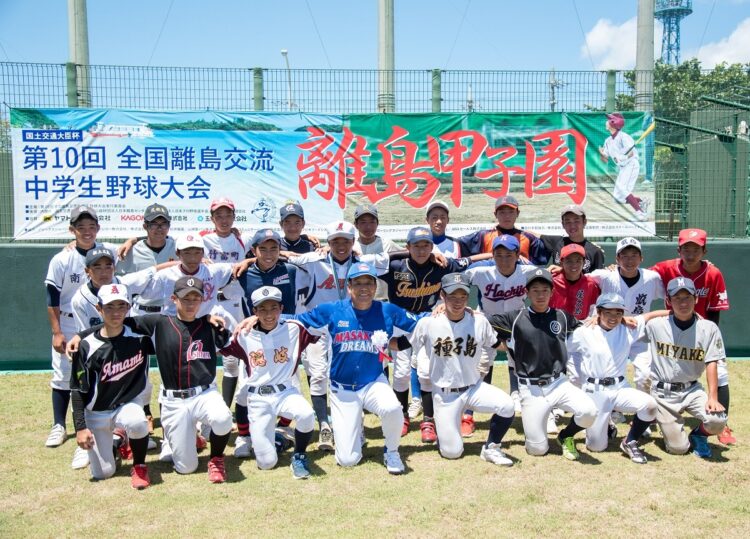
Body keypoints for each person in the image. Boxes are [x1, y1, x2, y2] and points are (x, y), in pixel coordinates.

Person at [268, 262, 419, 474]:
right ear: (349, 287)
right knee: (348, 460)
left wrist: (444, 310)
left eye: (368, 282)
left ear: (375, 287)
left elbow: (420, 322)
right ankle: (354, 431)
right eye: (358, 283)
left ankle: (391, 451)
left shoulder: (387, 310)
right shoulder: (332, 310)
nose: (364, 288)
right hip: (342, 389)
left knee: (393, 408)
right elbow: (297, 320)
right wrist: (259, 317)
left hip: (373, 381)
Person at [281, 221, 398, 451]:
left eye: (346, 240)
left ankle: (358, 426)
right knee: (317, 374)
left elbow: (396, 257)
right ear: (328, 243)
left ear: (353, 242)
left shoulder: (363, 262)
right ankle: (325, 424)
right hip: (321, 326)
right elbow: (282, 257)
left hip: (354, 327)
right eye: (335, 241)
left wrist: (433, 251)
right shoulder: (314, 261)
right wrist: (248, 259)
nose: (341, 246)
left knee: (355, 376)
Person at [379, 226, 489, 442]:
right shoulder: (395, 265)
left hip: (429, 321)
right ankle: (402, 417)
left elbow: (471, 260)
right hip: (401, 321)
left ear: (432, 246)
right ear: (408, 247)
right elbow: (365, 261)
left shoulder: (442, 265)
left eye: (426, 245)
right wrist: (403, 252)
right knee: (401, 373)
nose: (422, 250)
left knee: (426, 372)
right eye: (416, 246)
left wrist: (497, 254)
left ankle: (428, 421)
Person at [488, 268, 598, 460]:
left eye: (545, 290)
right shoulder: (514, 318)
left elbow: (585, 327)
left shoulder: (562, 317)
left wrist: (598, 318)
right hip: (531, 389)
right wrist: (499, 344)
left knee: (589, 411)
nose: (540, 295)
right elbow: (480, 323)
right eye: (535, 290)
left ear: (552, 292)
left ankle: (565, 436)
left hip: (559, 383)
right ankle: (541, 429)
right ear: (527, 293)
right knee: (537, 450)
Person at [411, 273, 516, 466]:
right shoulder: (428, 323)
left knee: (508, 405)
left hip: (473, 388)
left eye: (463, 297)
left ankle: (491, 447)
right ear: (442, 295)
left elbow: (496, 345)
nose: (458, 301)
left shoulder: (479, 321)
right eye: (452, 296)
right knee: (452, 452)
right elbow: (408, 345)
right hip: (445, 395)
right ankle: (445, 431)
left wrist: (518, 344)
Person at [44, 205, 118, 471]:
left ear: (98, 228)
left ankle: (111, 432)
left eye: (91, 227)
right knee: (66, 376)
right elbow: (51, 297)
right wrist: (57, 331)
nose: (87, 232)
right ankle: (60, 425)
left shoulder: (108, 252)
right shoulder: (61, 259)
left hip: (101, 320)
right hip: (68, 319)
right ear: (72, 230)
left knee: (100, 376)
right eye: (80, 227)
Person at [221, 286, 318, 479]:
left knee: (307, 414)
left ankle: (299, 455)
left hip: (285, 393)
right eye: (262, 309)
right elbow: (218, 346)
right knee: (266, 463)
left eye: (274, 307)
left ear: (281, 308)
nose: (268, 314)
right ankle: (280, 439)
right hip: (257, 399)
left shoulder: (295, 328)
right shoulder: (243, 335)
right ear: (254, 312)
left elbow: (322, 321)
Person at [232, 228, 313, 457]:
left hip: (285, 336)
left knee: (291, 386)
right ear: (254, 250)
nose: (269, 253)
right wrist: (247, 261)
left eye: (274, 248)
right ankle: (244, 436)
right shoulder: (243, 273)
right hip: (253, 339)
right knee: (244, 391)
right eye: (263, 249)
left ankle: (282, 429)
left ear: (281, 249)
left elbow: (314, 261)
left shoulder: (290, 269)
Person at [650, 228, 734, 445]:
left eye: (695, 248)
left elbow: (714, 310)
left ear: (704, 251)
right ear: (679, 249)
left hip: (701, 331)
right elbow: (639, 275)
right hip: (673, 328)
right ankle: (647, 417)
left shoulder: (713, 273)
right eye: (686, 248)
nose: (690, 253)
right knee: (648, 370)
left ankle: (723, 424)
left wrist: (707, 337)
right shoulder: (666, 268)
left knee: (720, 372)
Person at [69, 284, 153, 489]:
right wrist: (80, 428)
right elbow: (77, 390)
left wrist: (206, 319)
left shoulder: (140, 334)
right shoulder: (87, 346)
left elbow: (176, 319)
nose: (116, 312)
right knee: (103, 474)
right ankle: (117, 440)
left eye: (121, 306)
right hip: (96, 413)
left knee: (137, 421)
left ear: (128, 307)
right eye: (109, 307)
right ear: (99, 309)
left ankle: (140, 465)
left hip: (126, 404)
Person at [566, 293, 666, 464]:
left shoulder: (628, 328)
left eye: (618, 313)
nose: (613, 317)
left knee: (649, 406)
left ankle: (630, 441)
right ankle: (607, 425)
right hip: (594, 390)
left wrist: (682, 312)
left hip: (620, 387)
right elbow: (566, 347)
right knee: (596, 447)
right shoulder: (584, 331)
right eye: (608, 312)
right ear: (598, 312)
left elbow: (649, 316)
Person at [643, 277, 727, 458]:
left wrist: (713, 397)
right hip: (663, 394)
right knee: (678, 449)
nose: (683, 303)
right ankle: (669, 427)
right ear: (669, 301)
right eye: (677, 298)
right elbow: (632, 323)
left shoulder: (708, 328)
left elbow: (711, 362)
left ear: (696, 299)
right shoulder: (655, 325)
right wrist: (654, 314)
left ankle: (699, 434)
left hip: (692, 390)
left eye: (687, 297)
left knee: (718, 420)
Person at [464, 234, 533, 423]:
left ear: (518, 255)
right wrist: (457, 304)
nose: (504, 259)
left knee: (519, 361)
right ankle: (469, 413)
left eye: (509, 254)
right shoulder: (480, 272)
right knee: (481, 365)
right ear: (492, 255)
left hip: (516, 322)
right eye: (499, 255)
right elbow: (454, 280)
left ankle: (517, 396)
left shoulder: (527, 271)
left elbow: (551, 277)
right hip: (488, 322)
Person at [588, 237, 664, 396]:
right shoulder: (604, 276)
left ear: (641, 258)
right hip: (611, 332)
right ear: (617, 258)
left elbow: (670, 296)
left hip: (639, 332)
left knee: (645, 375)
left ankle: (643, 415)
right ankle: (614, 409)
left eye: (634, 255)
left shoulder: (652, 278)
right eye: (624, 256)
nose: (630, 260)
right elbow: (577, 280)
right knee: (609, 373)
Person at [116, 203, 177, 317]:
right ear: (145, 226)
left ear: (169, 226)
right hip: (140, 311)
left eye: (164, 224)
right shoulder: (131, 251)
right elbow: (119, 283)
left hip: (169, 311)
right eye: (154, 224)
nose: (159, 229)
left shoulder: (177, 247)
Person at [457, 195, 547, 264]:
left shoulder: (529, 238)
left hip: (519, 286)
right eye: (502, 212)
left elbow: (542, 261)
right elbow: (456, 244)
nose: (507, 216)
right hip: (490, 285)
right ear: (495, 214)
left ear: (518, 213)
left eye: (511, 212)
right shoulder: (483, 235)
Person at [598, 112, 649, 220]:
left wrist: (622, 157)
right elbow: (605, 160)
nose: (606, 122)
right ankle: (642, 201)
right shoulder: (607, 141)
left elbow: (631, 153)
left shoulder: (624, 137)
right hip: (623, 168)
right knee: (618, 198)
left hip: (631, 165)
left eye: (609, 120)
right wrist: (601, 154)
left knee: (623, 189)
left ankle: (640, 212)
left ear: (614, 122)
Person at [352, 204, 401, 301]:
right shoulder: (351, 246)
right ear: (356, 225)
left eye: (372, 222)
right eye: (363, 222)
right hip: (357, 302)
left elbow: (411, 254)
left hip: (382, 302)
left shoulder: (388, 245)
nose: (368, 226)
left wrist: (432, 255)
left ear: (377, 224)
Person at [538, 205, 605, 273]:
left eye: (576, 221)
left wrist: (563, 270)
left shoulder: (595, 251)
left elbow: (599, 280)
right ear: (563, 224)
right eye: (568, 222)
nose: (572, 226)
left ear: (584, 222)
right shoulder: (557, 242)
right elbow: (531, 234)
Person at [549, 243, 601, 320]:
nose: (574, 265)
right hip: (555, 325)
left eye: (578, 260)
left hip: (580, 326)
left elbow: (594, 308)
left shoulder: (590, 284)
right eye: (569, 261)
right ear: (561, 262)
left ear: (584, 262)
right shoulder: (551, 281)